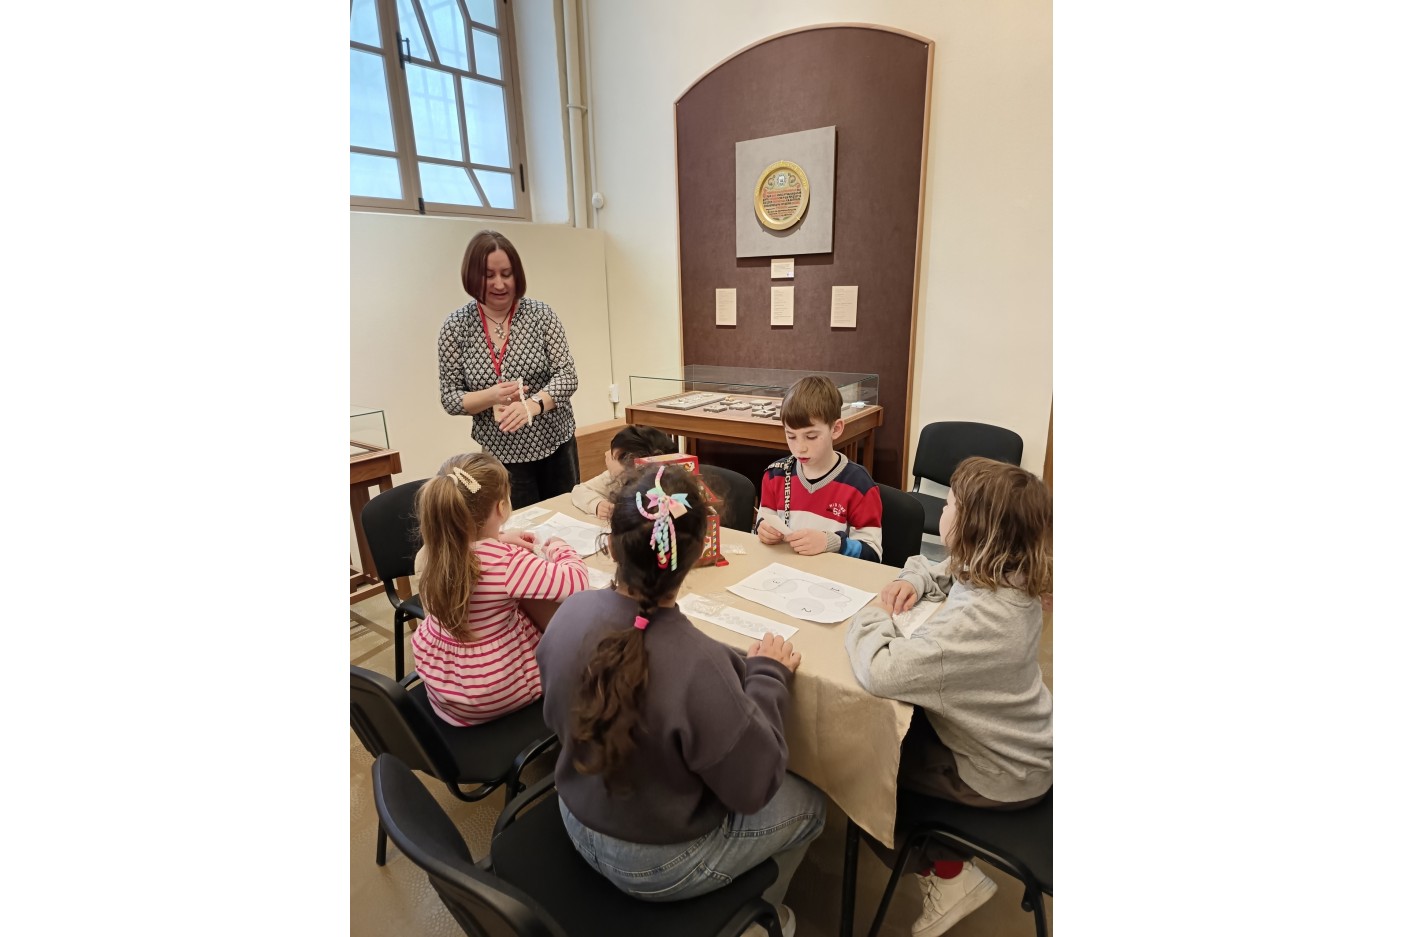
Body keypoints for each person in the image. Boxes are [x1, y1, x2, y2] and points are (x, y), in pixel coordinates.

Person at [536, 465, 824, 935]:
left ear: (612, 545)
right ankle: (760, 921)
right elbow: (754, 787)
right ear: (697, 554)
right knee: (812, 806)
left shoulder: (571, 613)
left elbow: (555, 717)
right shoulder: (701, 663)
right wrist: (768, 676)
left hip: (574, 813)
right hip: (656, 863)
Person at [845, 456, 1052, 937]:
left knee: (859, 760)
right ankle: (948, 865)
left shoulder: (978, 625)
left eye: (951, 505)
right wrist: (911, 579)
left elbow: (879, 670)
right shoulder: (1009, 572)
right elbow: (946, 569)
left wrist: (872, 614)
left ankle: (947, 875)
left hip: (1000, 773)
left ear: (975, 529)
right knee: (890, 735)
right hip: (1022, 744)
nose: (942, 510)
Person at [410, 452, 589, 727]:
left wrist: (501, 538)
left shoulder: (435, 550)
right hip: (492, 689)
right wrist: (559, 547)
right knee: (575, 650)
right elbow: (575, 582)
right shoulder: (507, 563)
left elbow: (475, 552)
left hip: (446, 687)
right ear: (502, 507)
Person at [437, 230, 582, 507]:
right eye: (489, 275)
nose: (499, 284)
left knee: (565, 515)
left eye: (507, 274)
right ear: (472, 276)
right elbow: (450, 398)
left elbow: (567, 376)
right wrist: (491, 395)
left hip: (556, 444)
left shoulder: (540, 315)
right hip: (501, 455)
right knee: (517, 524)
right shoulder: (456, 327)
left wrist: (532, 405)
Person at [754, 376, 883, 562]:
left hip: (832, 576)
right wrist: (763, 529)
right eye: (791, 436)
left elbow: (873, 554)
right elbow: (764, 521)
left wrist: (831, 543)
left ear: (836, 429)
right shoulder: (775, 475)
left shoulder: (858, 484)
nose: (800, 448)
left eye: (811, 437)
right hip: (785, 571)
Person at [570, 425, 676, 520]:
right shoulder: (614, 478)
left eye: (613, 456)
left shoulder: (667, 485)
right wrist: (597, 504)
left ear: (631, 464)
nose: (606, 454)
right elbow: (579, 490)